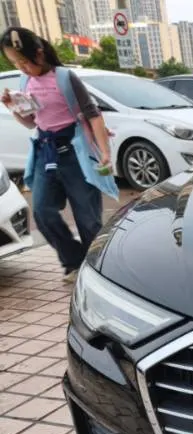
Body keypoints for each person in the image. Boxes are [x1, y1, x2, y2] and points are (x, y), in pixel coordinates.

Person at [1, 27, 118, 283]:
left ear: (39, 53)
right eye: (15, 63)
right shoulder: (25, 82)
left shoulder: (64, 78)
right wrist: (14, 108)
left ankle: (97, 269)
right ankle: (75, 261)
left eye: (24, 61)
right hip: (45, 153)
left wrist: (104, 154)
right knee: (42, 212)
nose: (21, 68)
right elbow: (32, 123)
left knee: (88, 218)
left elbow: (93, 115)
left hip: (75, 154)